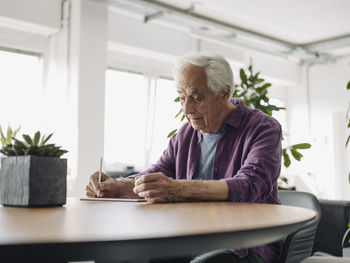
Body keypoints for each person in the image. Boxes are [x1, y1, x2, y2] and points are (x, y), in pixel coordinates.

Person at [86, 53, 282, 263]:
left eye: (196, 97)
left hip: (244, 245)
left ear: (223, 94)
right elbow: (157, 174)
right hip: (190, 239)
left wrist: (178, 189)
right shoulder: (185, 134)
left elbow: (250, 185)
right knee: (119, 255)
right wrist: (118, 186)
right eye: (181, 97)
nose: (186, 109)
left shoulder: (263, 128)